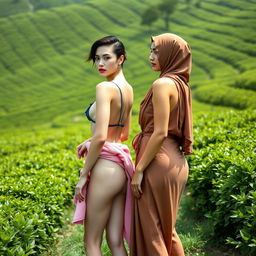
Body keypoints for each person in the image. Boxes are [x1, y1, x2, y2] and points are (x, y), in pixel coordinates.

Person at [130, 33, 193, 256]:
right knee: (167, 232)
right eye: (151, 50)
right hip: (175, 162)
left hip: (157, 162)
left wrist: (139, 171)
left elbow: (159, 132)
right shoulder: (181, 85)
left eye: (156, 51)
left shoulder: (162, 84)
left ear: (170, 53)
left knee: (152, 232)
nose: (151, 56)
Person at [73, 36, 134, 256]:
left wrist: (83, 175)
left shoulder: (104, 88)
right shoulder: (127, 89)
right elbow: (123, 134)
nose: (100, 63)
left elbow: (100, 138)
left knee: (92, 242)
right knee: (116, 241)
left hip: (104, 168)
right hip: (120, 169)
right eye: (97, 58)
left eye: (106, 58)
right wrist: (92, 140)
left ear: (121, 59)